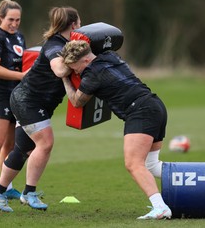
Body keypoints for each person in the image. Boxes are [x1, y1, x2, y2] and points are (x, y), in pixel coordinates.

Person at [59, 40, 172, 220]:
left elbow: (76, 101)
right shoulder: (110, 56)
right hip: (155, 105)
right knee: (151, 165)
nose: (75, 72)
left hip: (139, 111)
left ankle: (160, 207)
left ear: (86, 61)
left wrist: (64, 78)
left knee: (133, 163)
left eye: (75, 67)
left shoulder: (92, 74)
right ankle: (198, 178)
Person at [0, 6, 81, 212]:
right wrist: (77, 59)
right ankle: (29, 193)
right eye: (79, 23)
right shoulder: (55, 44)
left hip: (36, 103)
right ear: (73, 24)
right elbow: (59, 69)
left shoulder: (68, 44)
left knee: (22, 149)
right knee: (45, 143)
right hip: (27, 101)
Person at [0, 0, 28, 201]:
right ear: (1, 17)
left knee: (10, 146)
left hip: (15, 95)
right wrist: (22, 76)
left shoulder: (19, 37)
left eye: (18, 20)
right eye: (11, 19)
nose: (15, 23)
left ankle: (6, 186)